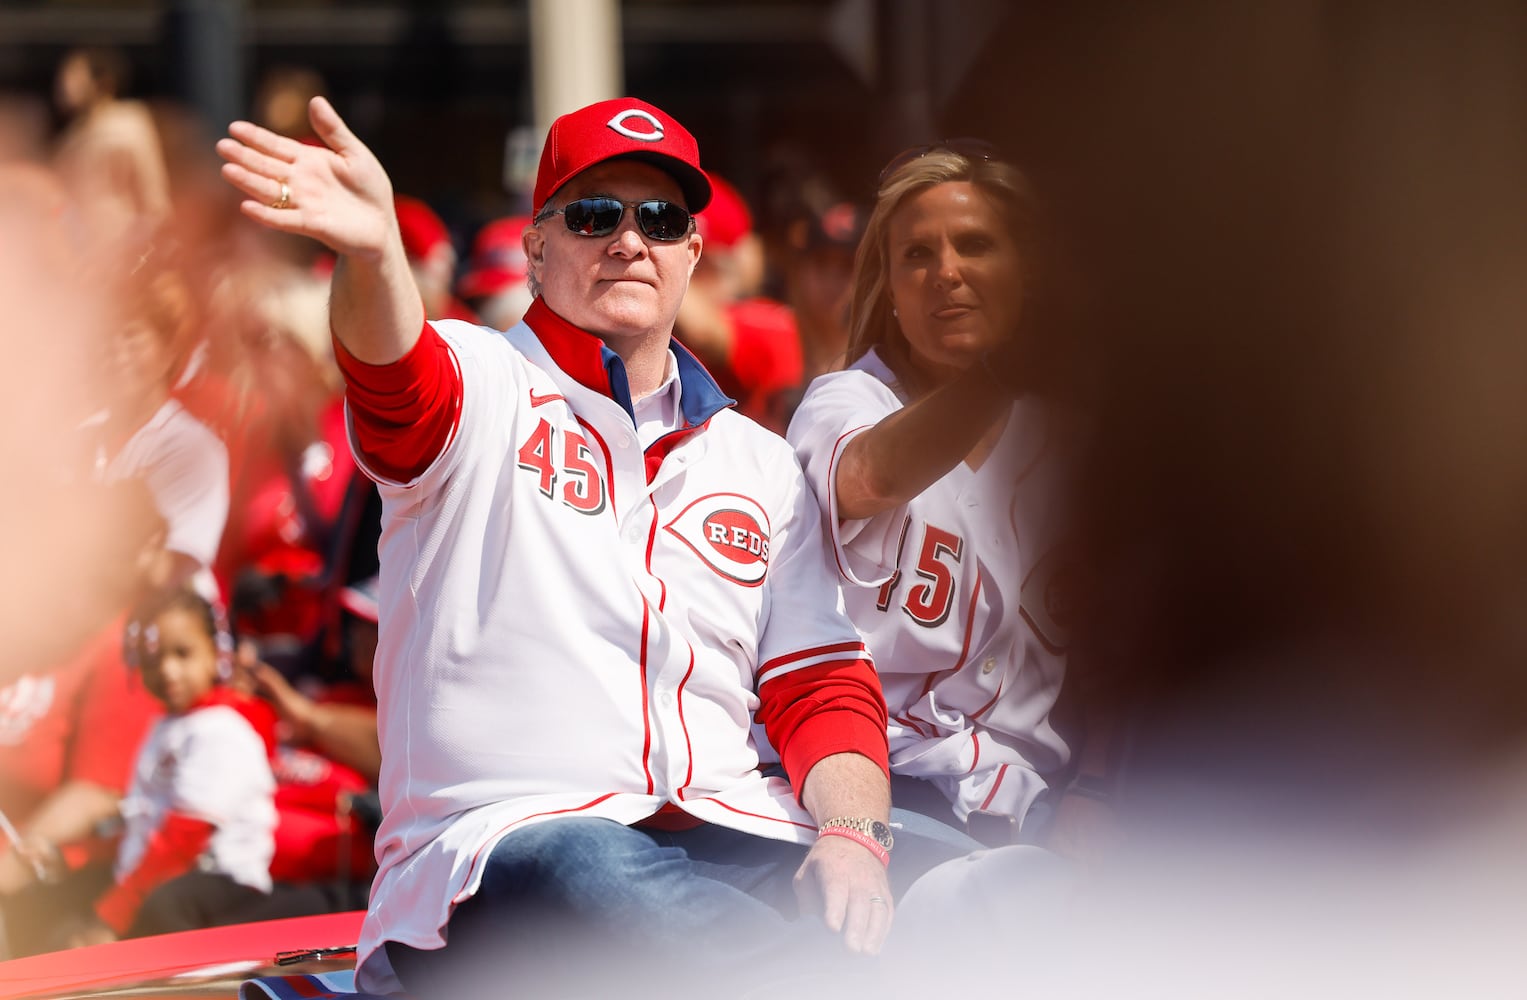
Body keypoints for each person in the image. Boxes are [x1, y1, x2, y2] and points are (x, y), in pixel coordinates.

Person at [218, 96, 968, 997]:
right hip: (508, 851)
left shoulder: (758, 461)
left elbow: (820, 686)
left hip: (737, 833)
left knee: (988, 886)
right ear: (536, 249)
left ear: (693, 250)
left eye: (658, 218)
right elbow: (392, 378)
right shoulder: (481, 380)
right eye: (592, 214)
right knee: (590, 871)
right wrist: (375, 253)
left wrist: (853, 837)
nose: (627, 240)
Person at [787, 143, 1074, 848]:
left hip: (1039, 800)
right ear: (886, 285)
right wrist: (1006, 368)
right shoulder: (845, 399)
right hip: (883, 785)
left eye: (974, 246)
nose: (945, 272)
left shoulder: (1073, 441)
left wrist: (1101, 791)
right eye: (915, 255)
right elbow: (870, 476)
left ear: (1026, 273)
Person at [63, 585, 277, 946]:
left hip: (216, 890)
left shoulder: (221, 731)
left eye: (182, 653)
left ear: (216, 652)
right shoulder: (167, 726)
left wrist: (111, 917)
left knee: (161, 908)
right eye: (152, 659)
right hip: (156, 881)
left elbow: (183, 841)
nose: (168, 670)